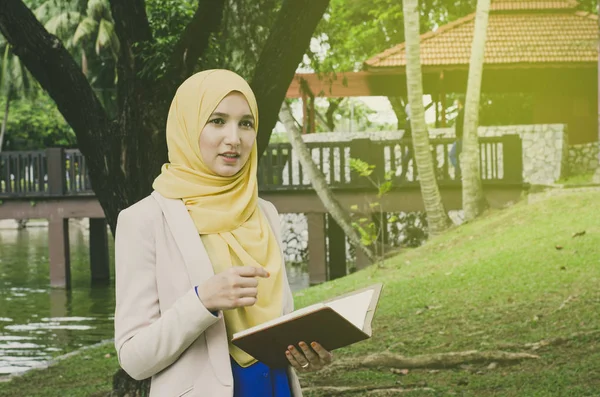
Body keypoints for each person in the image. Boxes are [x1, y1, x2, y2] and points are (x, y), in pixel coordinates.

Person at [114, 69, 333, 397]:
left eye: (246, 123)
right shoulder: (145, 220)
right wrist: (202, 300)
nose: (235, 138)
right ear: (187, 126)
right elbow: (134, 359)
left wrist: (304, 354)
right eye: (217, 120)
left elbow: (278, 324)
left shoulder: (264, 213)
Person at [449, 98, 464, 179]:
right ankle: (457, 173)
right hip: (462, 137)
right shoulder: (464, 112)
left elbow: (459, 126)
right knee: (455, 154)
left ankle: (458, 172)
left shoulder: (462, 113)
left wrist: (458, 135)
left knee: (452, 154)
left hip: (461, 138)